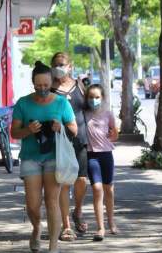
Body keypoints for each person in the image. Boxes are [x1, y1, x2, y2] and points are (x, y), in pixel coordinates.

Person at [11, 61, 78, 253]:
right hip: (31, 157)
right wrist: (28, 130)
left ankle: (53, 245)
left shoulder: (61, 102)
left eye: (46, 85)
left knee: (51, 201)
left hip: (54, 157)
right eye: (39, 85)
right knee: (32, 204)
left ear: (51, 83)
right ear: (33, 83)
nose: (42, 89)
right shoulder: (23, 103)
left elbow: (74, 129)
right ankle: (36, 228)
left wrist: (61, 127)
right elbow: (14, 133)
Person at [50, 52, 89, 241]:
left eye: (62, 64)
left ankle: (78, 210)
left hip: (80, 139)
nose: (59, 67)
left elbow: (92, 108)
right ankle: (66, 226)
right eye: (55, 64)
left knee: (82, 180)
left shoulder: (80, 85)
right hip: (59, 142)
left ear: (70, 66)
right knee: (64, 182)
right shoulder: (49, 88)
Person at [84, 84, 119, 241]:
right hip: (91, 156)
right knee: (97, 189)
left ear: (102, 98)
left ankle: (111, 221)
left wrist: (111, 135)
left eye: (97, 97)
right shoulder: (84, 114)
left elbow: (115, 134)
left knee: (109, 190)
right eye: (91, 97)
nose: (94, 100)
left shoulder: (108, 114)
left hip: (106, 155)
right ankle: (100, 228)